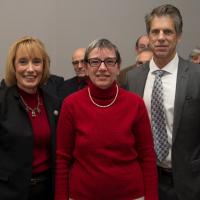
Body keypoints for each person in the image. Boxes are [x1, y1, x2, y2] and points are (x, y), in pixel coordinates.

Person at [55, 38, 158, 200]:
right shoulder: (70, 104)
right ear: (87, 67)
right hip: (82, 195)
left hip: (131, 195)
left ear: (118, 68)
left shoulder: (135, 104)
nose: (102, 68)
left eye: (109, 61)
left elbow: (147, 156)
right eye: (95, 61)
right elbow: (62, 159)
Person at [127, 4, 200, 200]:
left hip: (189, 183)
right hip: (145, 179)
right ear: (148, 36)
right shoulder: (132, 79)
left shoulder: (196, 75)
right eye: (155, 31)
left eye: (168, 31)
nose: (160, 37)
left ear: (178, 35)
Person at [0, 36, 61, 200]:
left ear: (44, 66)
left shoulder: (54, 102)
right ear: (13, 66)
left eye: (36, 62)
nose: (30, 69)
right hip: (10, 193)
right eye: (23, 62)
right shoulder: (2, 102)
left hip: (48, 191)